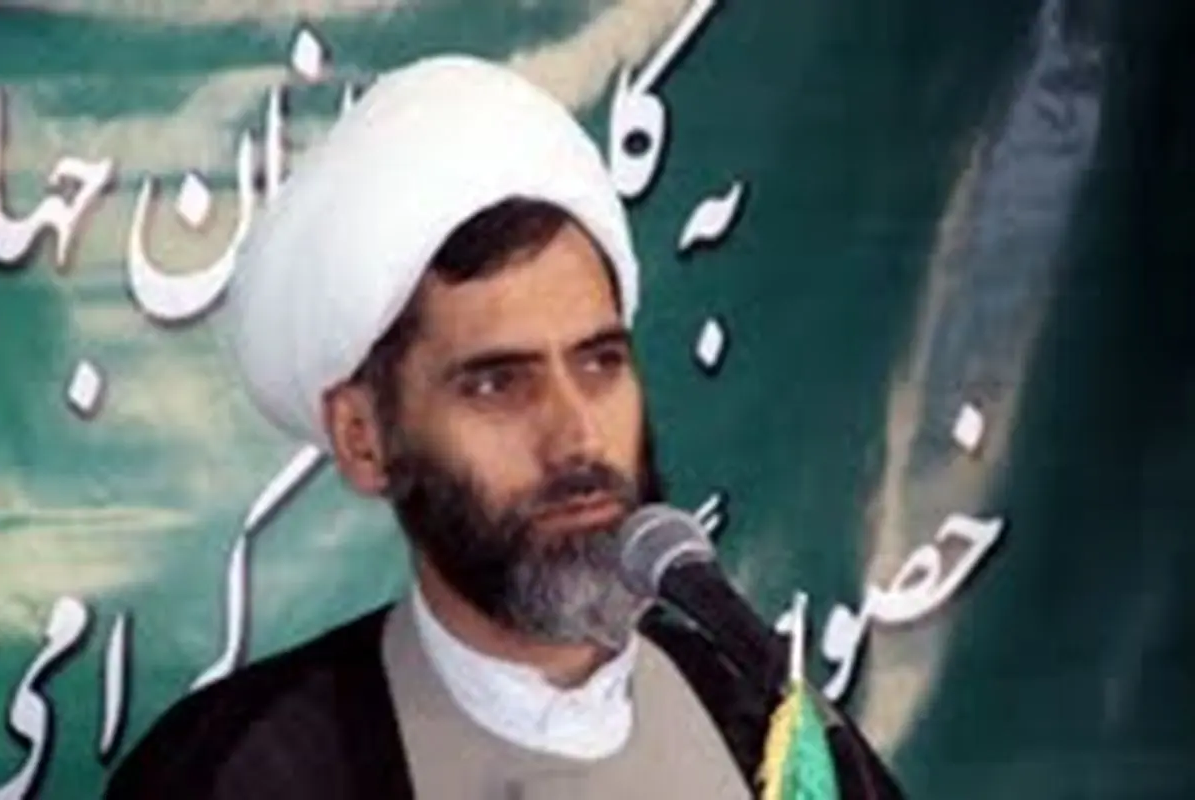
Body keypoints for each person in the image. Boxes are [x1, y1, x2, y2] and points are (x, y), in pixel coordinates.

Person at [105, 54, 898, 799]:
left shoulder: (765, 730)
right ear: (364, 438)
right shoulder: (246, 771)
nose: (577, 437)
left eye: (600, 363)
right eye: (496, 384)